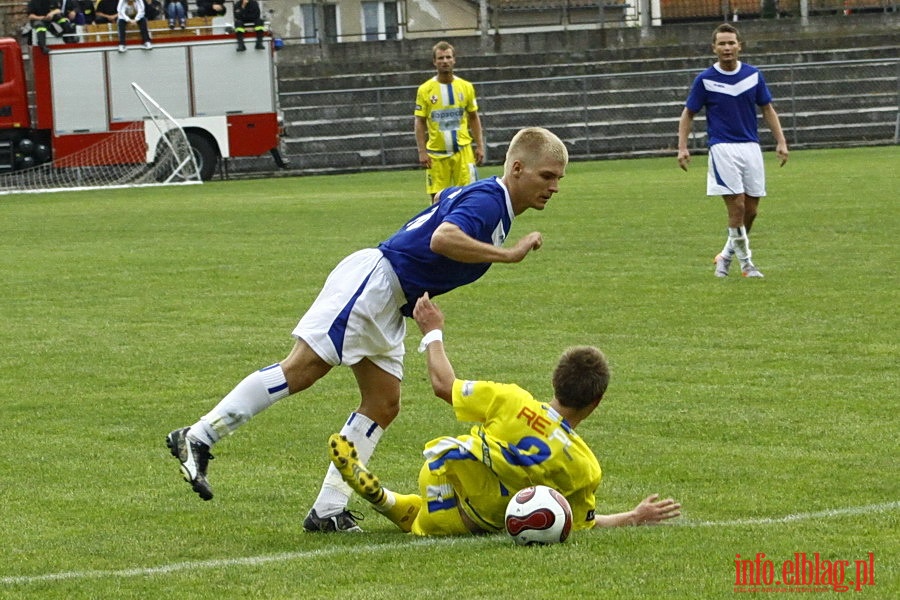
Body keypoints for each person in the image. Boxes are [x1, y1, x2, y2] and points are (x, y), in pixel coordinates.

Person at [166, 127, 569, 533]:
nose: (554, 187)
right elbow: (442, 238)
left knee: (383, 403)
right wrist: (507, 256)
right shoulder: (489, 202)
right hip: (375, 282)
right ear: (517, 168)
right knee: (302, 368)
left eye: (558, 180)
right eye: (547, 176)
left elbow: (432, 231)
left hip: (393, 300)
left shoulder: (492, 204)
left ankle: (327, 510)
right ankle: (199, 435)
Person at [327, 293, 682, 535]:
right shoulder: (584, 467)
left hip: (440, 475)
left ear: (554, 381)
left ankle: (384, 497)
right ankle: (385, 499)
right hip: (476, 519)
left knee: (429, 504)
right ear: (597, 401)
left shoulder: (511, 400)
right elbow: (577, 522)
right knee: (435, 519)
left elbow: (442, 384)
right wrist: (634, 517)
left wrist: (432, 333)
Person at [677, 23, 788, 279]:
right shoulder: (705, 79)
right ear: (714, 48)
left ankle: (725, 255)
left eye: (731, 43)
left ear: (740, 46)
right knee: (736, 207)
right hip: (722, 147)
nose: (727, 48)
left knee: (751, 211)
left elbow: (767, 108)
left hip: (751, 147)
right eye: (722, 44)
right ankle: (747, 265)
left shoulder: (753, 75)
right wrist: (682, 147)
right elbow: (688, 113)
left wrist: (780, 141)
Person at [415, 41, 485, 203]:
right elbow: (420, 121)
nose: (445, 61)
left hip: (463, 152)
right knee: (437, 201)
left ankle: (468, 228)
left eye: (448, 57)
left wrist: (480, 145)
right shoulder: (425, 89)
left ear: (454, 60)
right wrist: (422, 151)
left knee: (470, 197)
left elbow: (473, 117)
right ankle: (438, 228)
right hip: (437, 154)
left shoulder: (466, 87)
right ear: (434, 62)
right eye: (440, 58)